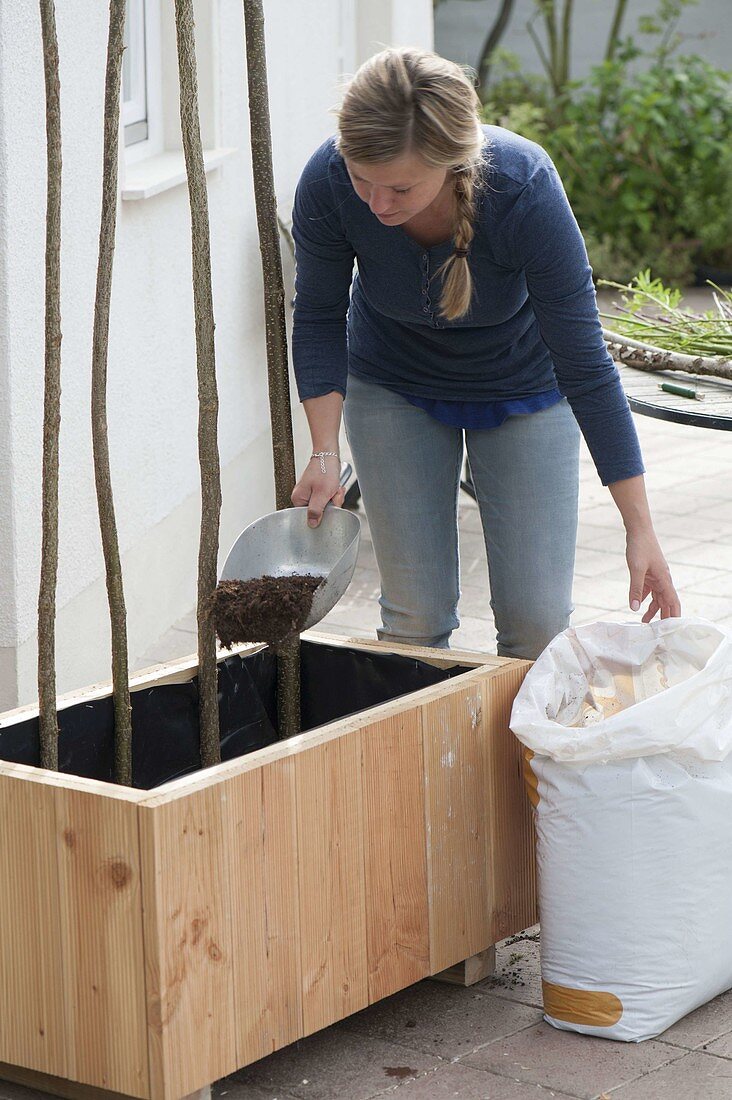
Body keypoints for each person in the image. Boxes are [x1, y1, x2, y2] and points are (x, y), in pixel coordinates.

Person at [289, 46, 680, 660]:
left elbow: (586, 363)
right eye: (363, 179)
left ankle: (518, 757)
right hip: (392, 382)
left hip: (525, 387)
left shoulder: (524, 188)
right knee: (414, 619)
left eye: (399, 188)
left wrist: (641, 528)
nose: (377, 204)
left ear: (451, 162)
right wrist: (321, 449)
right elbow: (316, 316)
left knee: (536, 625)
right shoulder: (328, 179)